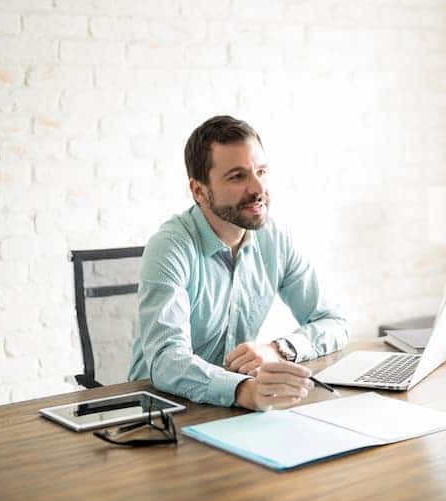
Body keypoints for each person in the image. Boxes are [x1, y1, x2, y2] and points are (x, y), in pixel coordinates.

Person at [129, 115, 349, 411]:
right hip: (163, 411)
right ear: (198, 191)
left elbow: (333, 322)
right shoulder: (171, 246)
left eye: (261, 171)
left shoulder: (275, 238)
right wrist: (242, 390)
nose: (258, 189)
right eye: (237, 176)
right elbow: (166, 359)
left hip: (234, 409)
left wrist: (278, 349)